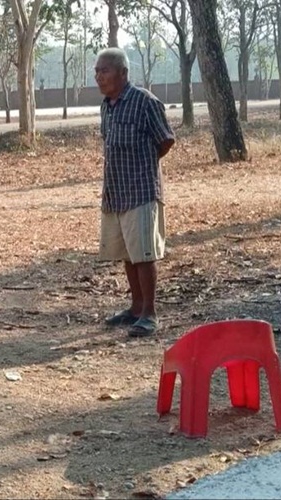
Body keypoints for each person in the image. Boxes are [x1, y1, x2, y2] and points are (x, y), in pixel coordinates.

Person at [95, 47, 175, 337]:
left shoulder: (145, 102)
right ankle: (136, 308)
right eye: (97, 71)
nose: (99, 77)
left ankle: (150, 314)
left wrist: (144, 166)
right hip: (115, 192)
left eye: (104, 70)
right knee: (127, 253)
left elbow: (165, 141)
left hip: (140, 190)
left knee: (143, 253)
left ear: (123, 73)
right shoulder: (107, 105)